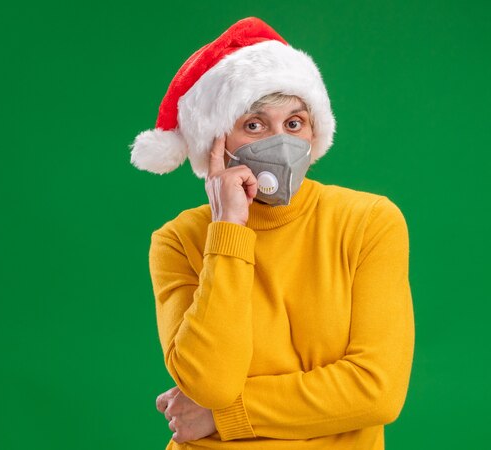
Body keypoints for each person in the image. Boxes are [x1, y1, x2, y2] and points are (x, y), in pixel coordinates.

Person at [130, 17, 415, 450]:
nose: (281, 143)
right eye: (255, 125)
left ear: (315, 130)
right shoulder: (178, 240)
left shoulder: (369, 222)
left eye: (295, 123)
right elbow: (211, 382)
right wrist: (228, 230)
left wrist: (221, 417)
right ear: (215, 143)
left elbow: (376, 391)